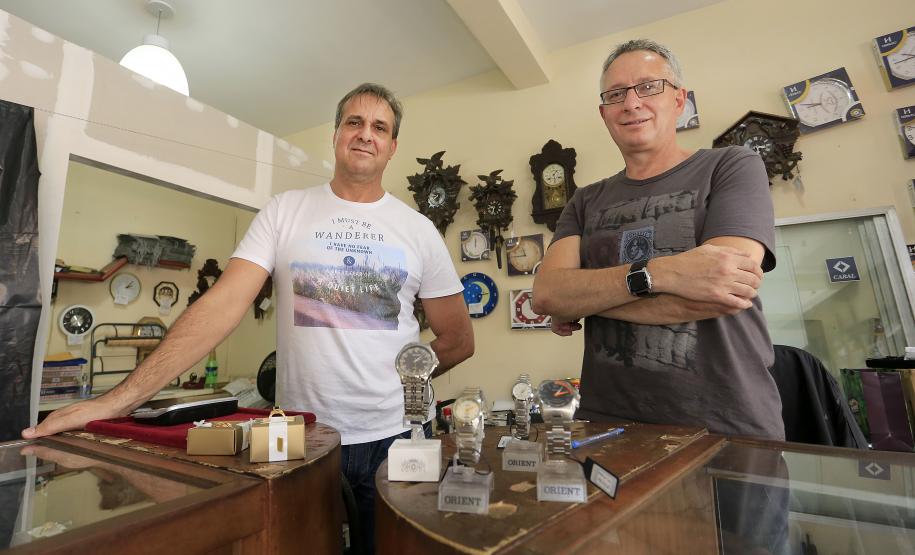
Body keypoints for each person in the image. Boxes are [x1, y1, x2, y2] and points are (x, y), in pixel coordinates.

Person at [24, 83, 474, 551]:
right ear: (336, 134)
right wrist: (113, 403)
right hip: (302, 438)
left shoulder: (418, 230)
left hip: (395, 438)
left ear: (393, 146)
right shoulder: (285, 211)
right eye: (354, 122)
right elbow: (222, 305)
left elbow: (458, 339)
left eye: (379, 127)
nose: (365, 134)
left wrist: (405, 380)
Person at [532, 39, 784, 441]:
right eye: (616, 94)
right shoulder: (584, 200)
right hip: (608, 427)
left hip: (726, 428)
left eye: (649, 87)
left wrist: (589, 298)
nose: (631, 103)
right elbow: (546, 295)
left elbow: (723, 289)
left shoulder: (731, 165)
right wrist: (665, 273)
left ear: (679, 100)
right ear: (604, 113)